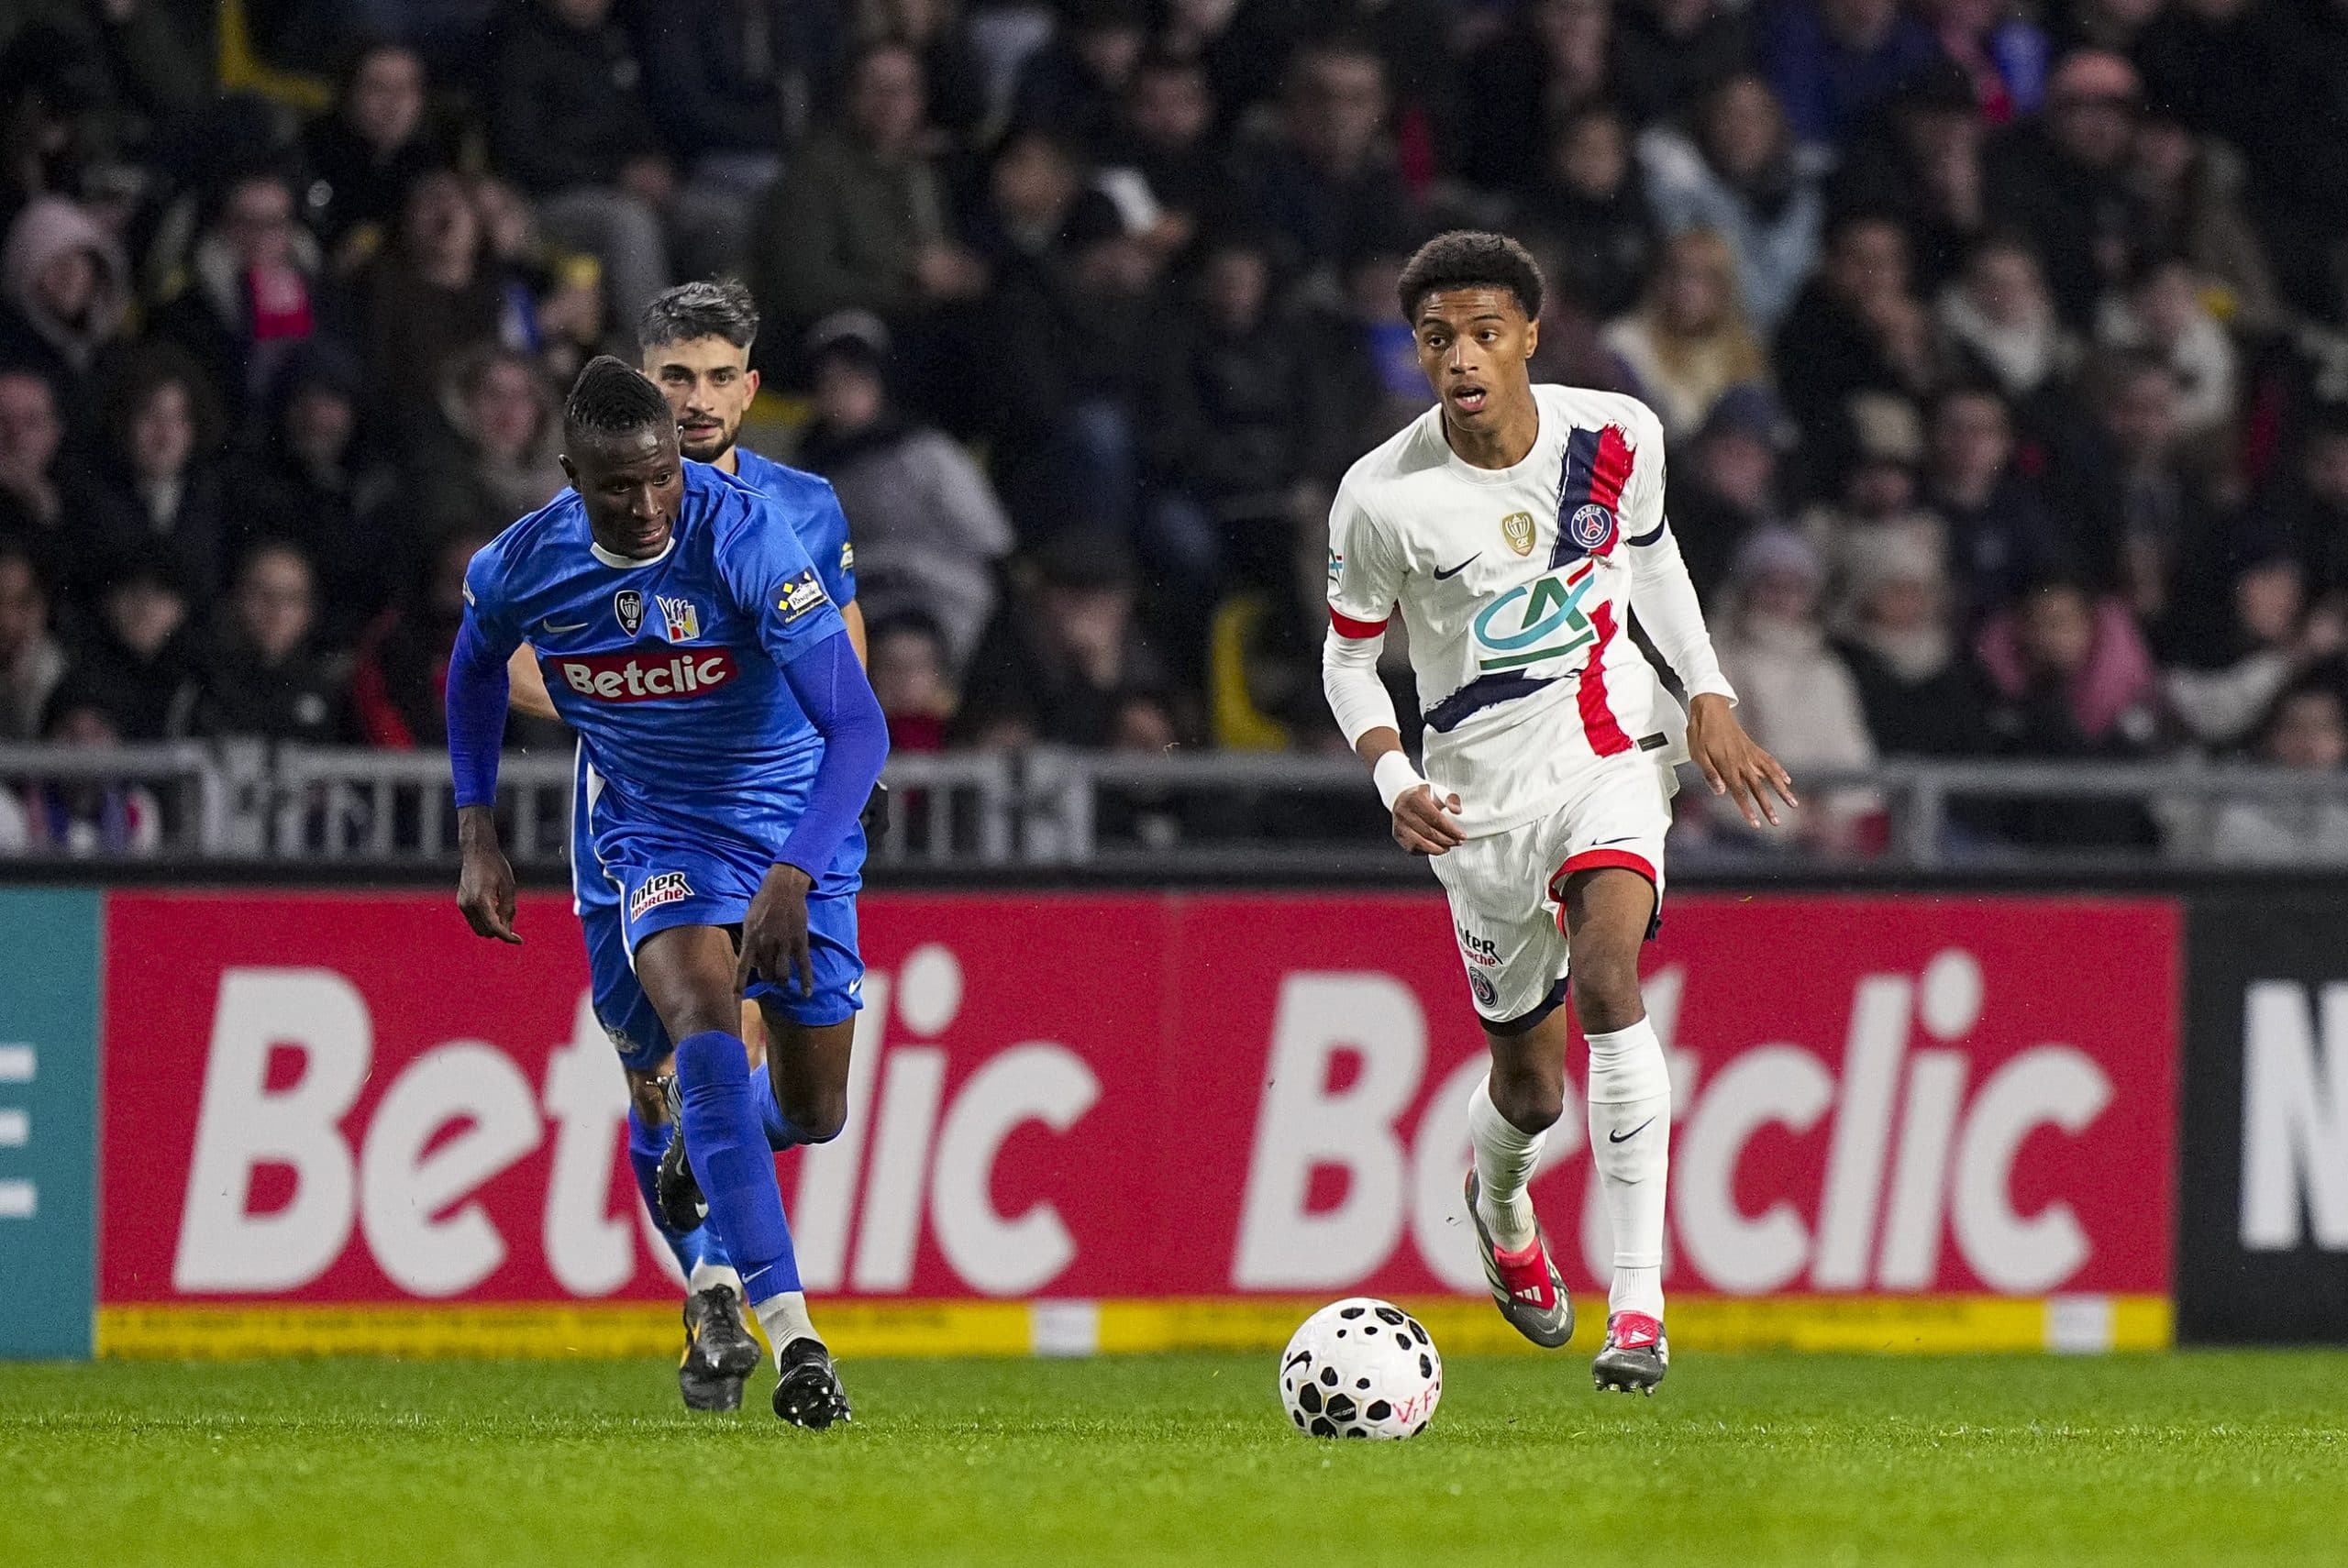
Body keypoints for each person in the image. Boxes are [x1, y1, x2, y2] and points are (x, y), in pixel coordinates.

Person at [1321, 231, 1792, 1395]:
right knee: (1529, 1091)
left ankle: (1638, 1308)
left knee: (1609, 979)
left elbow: (1655, 561)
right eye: (1438, 339)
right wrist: (1393, 780)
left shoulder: (1617, 437)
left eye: (1485, 333)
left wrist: (1707, 697)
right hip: (1475, 806)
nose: (1462, 359)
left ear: (1531, 333)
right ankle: (1498, 1200)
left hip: (1609, 758)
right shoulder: (1382, 497)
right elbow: (1347, 663)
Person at [450, 358, 886, 1427]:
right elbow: (470, 668)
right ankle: (796, 1340)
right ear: (571, 477)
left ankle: (707, 1134)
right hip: (657, 833)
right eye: (617, 488)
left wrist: (795, 868)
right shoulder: (523, 563)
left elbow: (860, 726)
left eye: (660, 482)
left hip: (792, 829)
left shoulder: (742, 538)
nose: (647, 506)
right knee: (697, 1025)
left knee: (815, 1111)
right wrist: (476, 827)